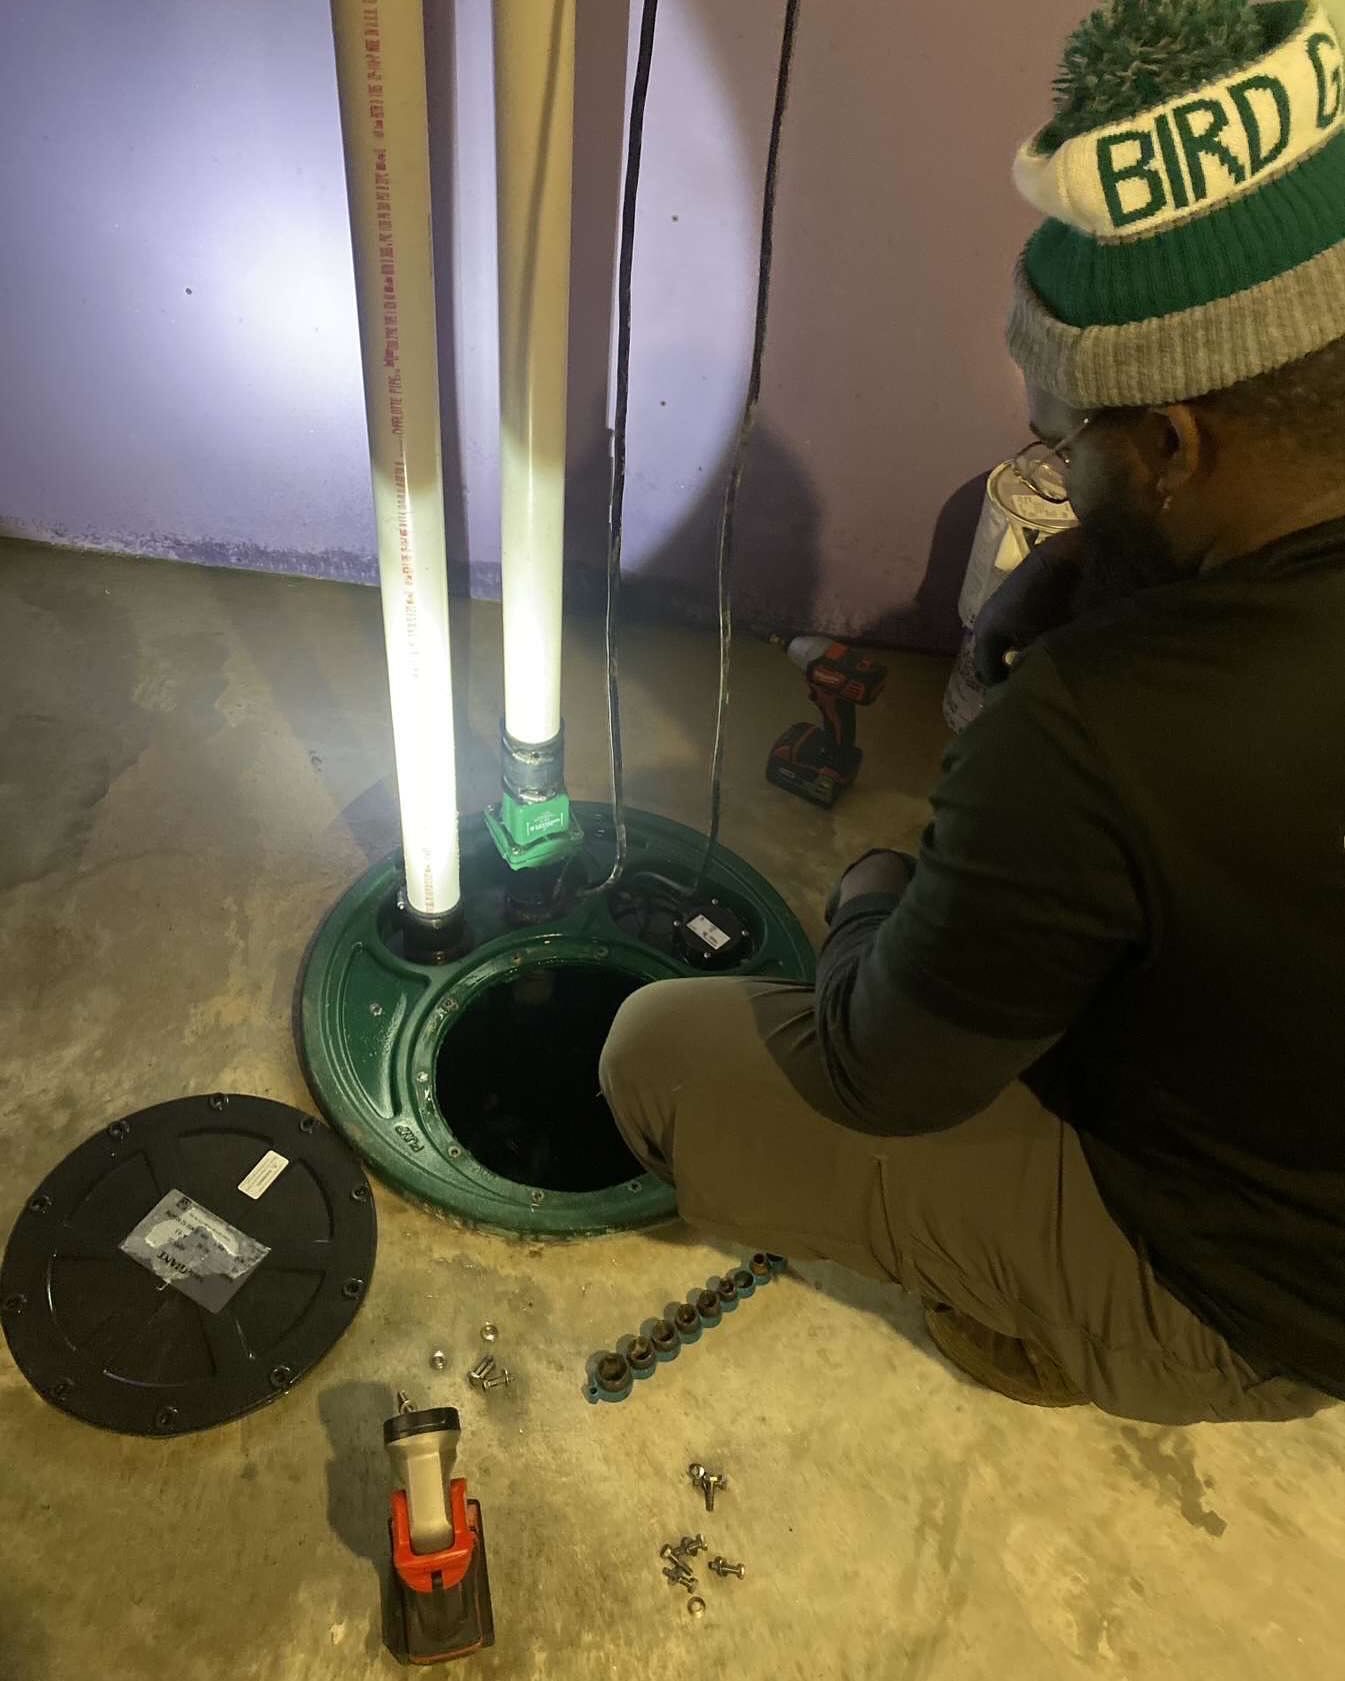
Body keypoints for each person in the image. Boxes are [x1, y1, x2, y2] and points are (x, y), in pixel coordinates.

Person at [600, 0, 1345, 1425]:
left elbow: (885, 1075)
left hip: (1253, 1288)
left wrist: (880, 875)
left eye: (1071, 438)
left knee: (661, 1059)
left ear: (1176, 443)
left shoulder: (1103, 728)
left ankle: (1087, 1327)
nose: (1052, 465)